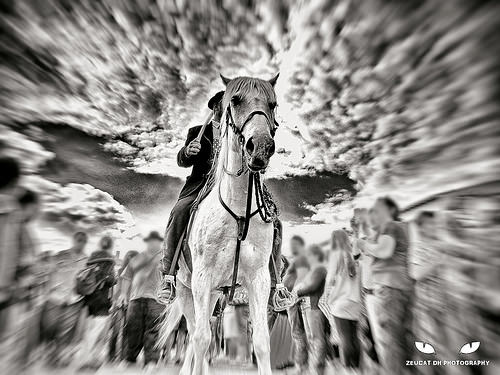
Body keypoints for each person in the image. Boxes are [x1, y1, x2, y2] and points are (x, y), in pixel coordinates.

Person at [158, 91, 224, 303]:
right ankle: (168, 275)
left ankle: (274, 282)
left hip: (229, 186)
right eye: (226, 104)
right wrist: (188, 152)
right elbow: (182, 161)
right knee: (179, 212)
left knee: (269, 216)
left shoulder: (237, 132)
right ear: (215, 108)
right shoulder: (197, 131)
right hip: (200, 186)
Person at [356, 197, 413, 375]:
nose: (374, 212)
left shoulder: (390, 226)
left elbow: (384, 251)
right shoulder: (401, 227)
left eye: (377, 209)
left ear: (389, 211)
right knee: (401, 341)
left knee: (390, 344)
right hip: (400, 288)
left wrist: (365, 245)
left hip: (389, 290)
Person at [41, 231, 89, 366]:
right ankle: (50, 348)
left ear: (85, 243)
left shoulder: (86, 259)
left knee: (66, 329)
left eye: (83, 240)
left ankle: (58, 356)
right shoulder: (61, 255)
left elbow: (88, 280)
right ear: (73, 240)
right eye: (79, 239)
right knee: (51, 326)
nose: (81, 242)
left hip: (75, 299)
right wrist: (47, 291)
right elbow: (50, 273)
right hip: (56, 297)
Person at [120, 231, 165, 366]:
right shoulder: (137, 258)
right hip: (136, 298)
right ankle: (129, 358)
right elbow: (127, 277)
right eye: (151, 241)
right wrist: (123, 294)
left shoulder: (166, 258)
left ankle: (151, 361)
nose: (153, 243)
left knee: (154, 331)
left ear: (159, 242)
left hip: (157, 300)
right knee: (133, 329)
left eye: (156, 241)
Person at [75, 235, 117, 370]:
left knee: (89, 329)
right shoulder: (110, 260)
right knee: (97, 330)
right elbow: (111, 280)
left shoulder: (92, 257)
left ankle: (88, 357)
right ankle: (88, 359)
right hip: (102, 299)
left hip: (89, 298)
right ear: (110, 245)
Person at [325, 230, 361, 368]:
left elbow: (330, 279)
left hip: (340, 301)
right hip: (355, 302)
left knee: (344, 338)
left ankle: (347, 369)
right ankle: (357, 368)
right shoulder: (355, 255)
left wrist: (328, 296)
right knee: (354, 337)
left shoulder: (336, 254)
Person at [292, 244, 328, 375]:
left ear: (316, 255)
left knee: (317, 338)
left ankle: (318, 369)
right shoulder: (313, 269)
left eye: (309, 255)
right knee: (311, 338)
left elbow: (311, 287)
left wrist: (297, 292)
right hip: (307, 307)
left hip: (314, 307)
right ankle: (314, 367)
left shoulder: (320, 269)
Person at [282, 235, 309, 372]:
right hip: (295, 299)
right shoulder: (302, 259)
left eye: (293, 245)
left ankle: (300, 366)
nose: (291, 248)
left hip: (295, 300)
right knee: (301, 334)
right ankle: (303, 364)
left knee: (298, 334)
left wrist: (291, 295)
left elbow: (301, 279)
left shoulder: (300, 259)